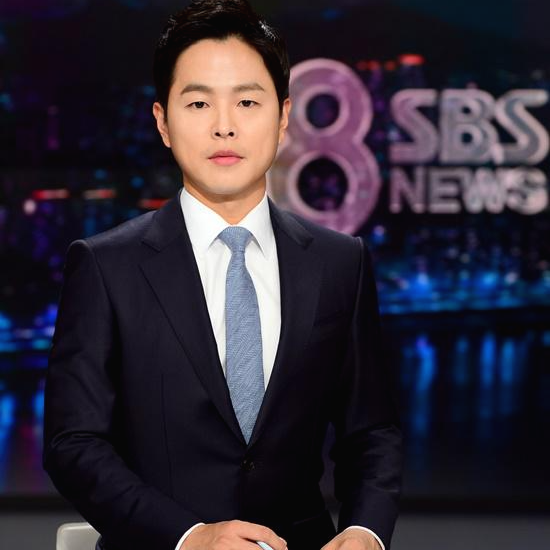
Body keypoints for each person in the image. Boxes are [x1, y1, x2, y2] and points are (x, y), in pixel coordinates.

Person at [43, 1, 402, 550]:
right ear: (163, 122)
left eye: (248, 102)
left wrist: (364, 531)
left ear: (283, 117)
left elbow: (372, 431)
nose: (224, 126)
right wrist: (189, 537)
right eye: (198, 103)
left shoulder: (340, 262)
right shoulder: (105, 265)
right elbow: (73, 442)